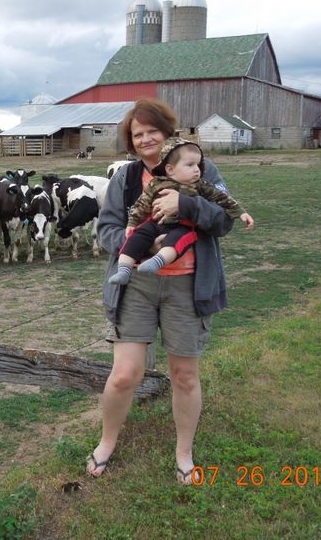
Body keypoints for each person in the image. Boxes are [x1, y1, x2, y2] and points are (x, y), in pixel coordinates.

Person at [86, 98, 242, 485]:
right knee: (124, 375)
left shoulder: (199, 167)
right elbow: (105, 228)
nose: (144, 139)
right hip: (136, 284)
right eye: (136, 134)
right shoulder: (125, 178)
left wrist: (185, 203)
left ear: (167, 131)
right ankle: (107, 442)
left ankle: (184, 451)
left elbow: (224, 221)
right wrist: (124, 240)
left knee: (184, 374)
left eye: (151, 131)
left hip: (188, 285)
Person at [108, 138, 254, 286]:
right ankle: (123, 271)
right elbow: (141, 204)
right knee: (135, 237)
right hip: (154, 222)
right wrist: (132, 223)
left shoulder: (201, 185)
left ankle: (156, 262)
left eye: (198, 164)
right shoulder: (157, 183)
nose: (197, 169)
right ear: (170, 169)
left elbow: (223, 199)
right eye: (190, 165)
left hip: (182, 225)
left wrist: (240, 212)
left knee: (175, 242)